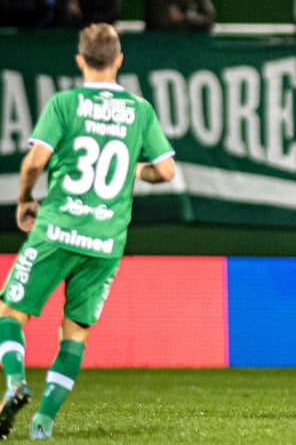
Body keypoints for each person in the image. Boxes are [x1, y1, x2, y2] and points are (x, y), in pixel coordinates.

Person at [0, 23, 175, 440]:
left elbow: (34, 162)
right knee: (74, 332)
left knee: (11, 312)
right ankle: (43, 423)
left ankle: (14, 382)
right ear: (119, 60)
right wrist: (136, 169)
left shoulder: (65, 103)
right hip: (105, 240)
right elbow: (166, 170)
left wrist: (25, 198)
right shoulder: (139, 110)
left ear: (79, 60)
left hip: (58, 228)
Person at [144, 0, 216, 32]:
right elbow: (161, 23)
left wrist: (185, 16)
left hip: (194, 47)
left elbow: (209, 19)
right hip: (162, 46)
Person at [53, 0, 121, 28]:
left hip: (102, 32)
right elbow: (61, 15)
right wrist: (73, 14)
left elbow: (115, 13)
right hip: (71, 34)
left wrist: (86, 18)